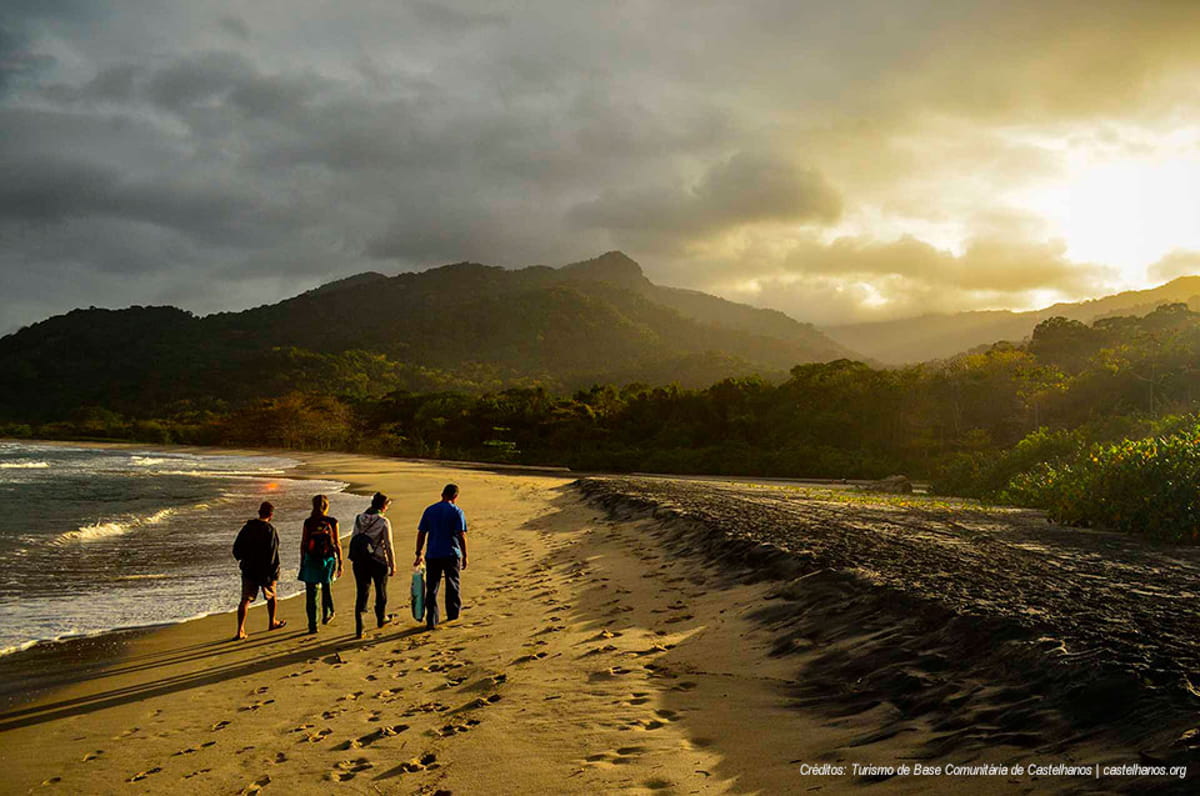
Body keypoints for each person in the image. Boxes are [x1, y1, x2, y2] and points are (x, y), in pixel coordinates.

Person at [414, 483, 468, 631]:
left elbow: (422, 533)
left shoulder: (430, 510)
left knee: (432, 587)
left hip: (433, 553)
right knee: (453, 584)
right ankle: (453, 613)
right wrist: (465, 555)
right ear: (455, 497)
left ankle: (432, 618)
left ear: (442, 494)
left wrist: (419, 552)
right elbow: (461, 535)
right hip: (451, 553)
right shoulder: (457, 511)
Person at [233, 501, 286, 640]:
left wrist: (243, 560)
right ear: (271, 515)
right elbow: (273, 553)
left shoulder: (247, 528)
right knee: (272, 596)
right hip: (265, 570)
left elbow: (236, 549)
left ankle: (240, 630)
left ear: (259, 512)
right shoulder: (270, 530)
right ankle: (272, 621)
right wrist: (274, 572)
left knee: (245, 599)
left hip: (249, 568)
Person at [350, 492, 395, 639]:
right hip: (378, 559)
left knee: (362, 592)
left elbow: (354, 538)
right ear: (383, 506)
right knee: (381, 589)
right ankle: (381, 617)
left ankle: (360, 625)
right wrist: (392, 563)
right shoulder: (383, 521)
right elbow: (388, 544)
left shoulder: (359, 518)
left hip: (360, 560)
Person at [298, 494, 343, 634]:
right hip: (327, 560)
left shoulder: (308, 522)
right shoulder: (332, 521)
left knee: (311, 594)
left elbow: (304, 543)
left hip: (311, 560)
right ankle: (328, 613)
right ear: (326, 506)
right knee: (326, 587)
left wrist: (302, 562)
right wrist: (341, 562)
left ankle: (313, 624)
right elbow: (337, 544)